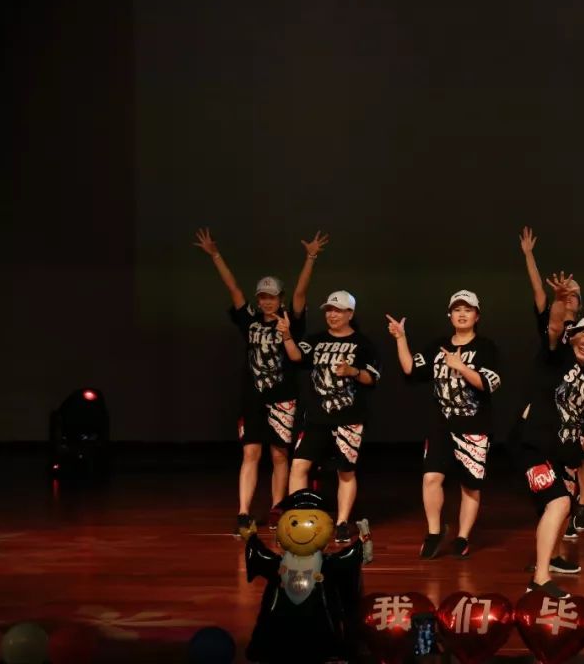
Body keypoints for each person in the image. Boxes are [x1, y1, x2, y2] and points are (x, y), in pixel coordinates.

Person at [193, 227, 328, 534]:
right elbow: (234, 290)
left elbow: (301, 294)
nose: (267, 302)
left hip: (283, 397)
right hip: (253, 397)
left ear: (280, 298)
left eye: (272, 297)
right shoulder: (251, 321)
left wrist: (310, 258)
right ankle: (243, 512)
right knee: (250, 452)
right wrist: (215, 255)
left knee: (279, 454)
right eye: (263, 297)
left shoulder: (290, 321)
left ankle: (278, 508)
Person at [519, 226, 584, 538]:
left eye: (574, 295)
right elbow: (539, 293)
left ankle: (583, 503)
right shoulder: (554, 324)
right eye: (565, 294)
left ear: (579, 304)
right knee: (551, 447)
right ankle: (554, 503)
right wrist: (528, 255)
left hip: (581, 396)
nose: (569, 298)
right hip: (554, 394)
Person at [385, 290, 502, 560]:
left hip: (474, 425)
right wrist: (401, 339)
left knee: (470, 485)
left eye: (468, 310)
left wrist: (461, 367)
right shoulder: (439, 346)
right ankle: (434, 532)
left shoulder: (486, 348)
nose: (462, 314)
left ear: (477, 316)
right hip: (441, 425)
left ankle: (463, 537)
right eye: (457, 309)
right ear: (450, 315)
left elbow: (488, 384)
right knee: (431, 478)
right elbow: (411, 370)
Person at [516, 275, 584, 599]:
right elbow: (554, 326)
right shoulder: (557, 356)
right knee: (558, 503)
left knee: (562, 507)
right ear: (573, 335)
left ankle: (550, 560)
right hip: (536, 447)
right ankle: (540, 577)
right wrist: (558, 300)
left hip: (564, 454)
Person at [279, 290, 380, 543]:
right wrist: (287, 336)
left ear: (350, 314)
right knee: (299, 465)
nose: (332, 315)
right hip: (316, 417)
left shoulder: (364, 344)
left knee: (345, 471)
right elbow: (296, 356)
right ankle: (298, 519)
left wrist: (352, 371)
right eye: (329, 310)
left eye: (338, 310)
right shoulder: (316, 340)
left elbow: (371, 378)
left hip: (349, 418)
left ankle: (343, 522)